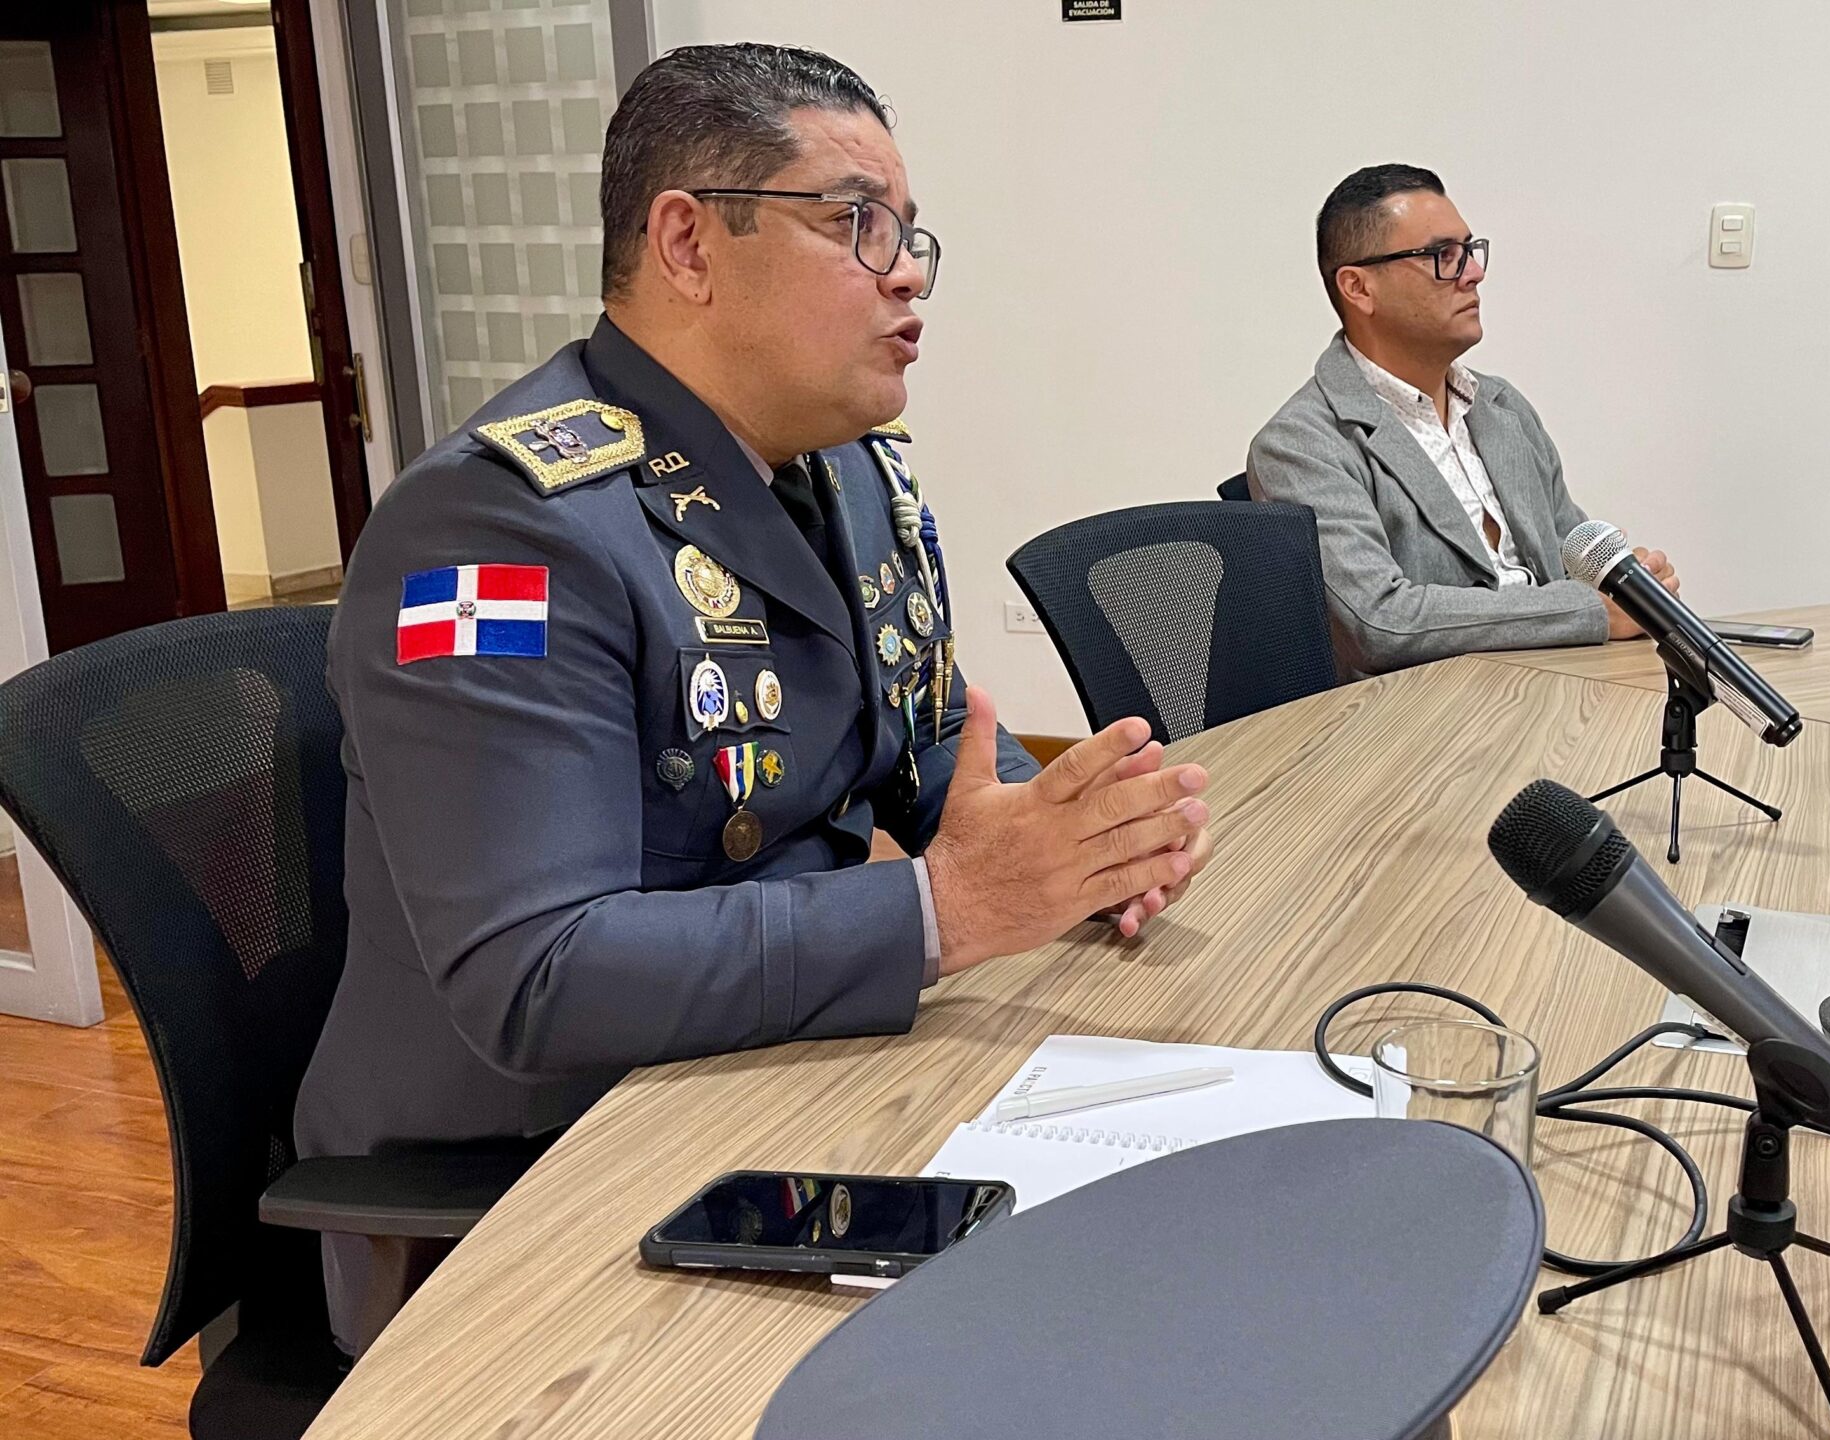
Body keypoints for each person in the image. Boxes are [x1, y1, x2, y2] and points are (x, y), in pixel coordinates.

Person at [295, 43, 1212, 1350]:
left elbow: (924, 732)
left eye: (910, 235)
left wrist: (1065, 835)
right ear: (687, 242)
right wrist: (948, 911)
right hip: (526, 1186)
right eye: (856, 224)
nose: (905, 270)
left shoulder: (843, 470)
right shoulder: (491, 532)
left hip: (777, 1080)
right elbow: (535, 981)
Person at [1247, 164, 1681, 677]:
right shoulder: (1301, 443)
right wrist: (1591, 612)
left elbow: (1574, 552)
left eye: (1470, 252)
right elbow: (1383, 621)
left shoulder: (1501, 406)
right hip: (1424, 722)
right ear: (1359, 288)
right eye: (1441, 257)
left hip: (1563, 686)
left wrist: (1628, 583)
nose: (1473, 273)